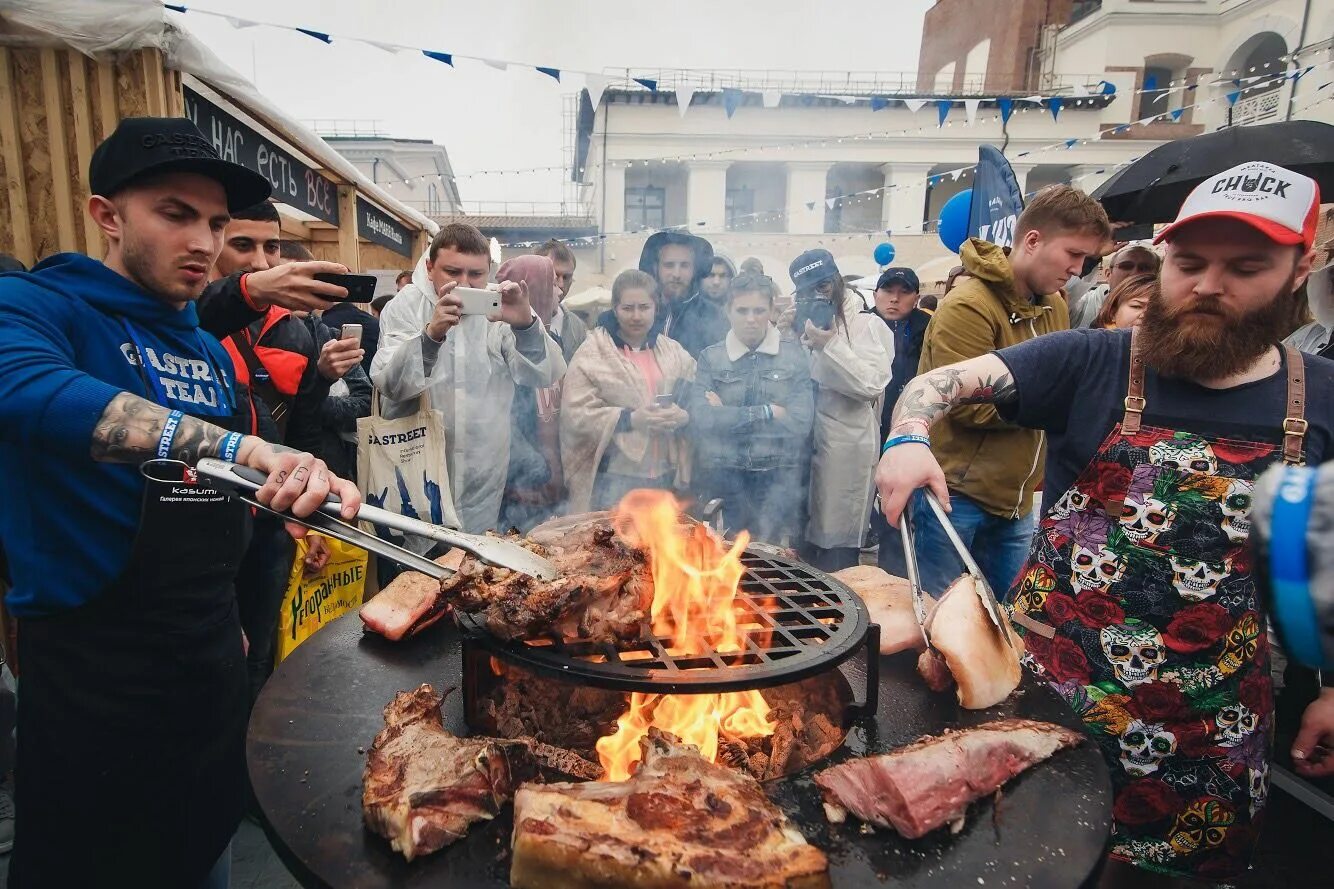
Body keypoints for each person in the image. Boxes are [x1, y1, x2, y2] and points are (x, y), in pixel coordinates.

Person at [875, 161, 1334, 886]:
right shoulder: (1093, 361)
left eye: (1245, 266)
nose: (1209, 285)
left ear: (1304, 265)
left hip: (1208, 730)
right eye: (1189, 262)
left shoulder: (1324, 399)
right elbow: (937, 383)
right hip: (1050, 703)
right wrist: (908, 437)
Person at [0, 116, 361, 889]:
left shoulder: (201, 344)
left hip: (205, 658)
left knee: (205, 851)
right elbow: (36, 394)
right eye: (175, 213)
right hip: (95, 675)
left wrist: (287, 511)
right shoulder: (38, 307)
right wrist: (243, 448)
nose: (202, 240)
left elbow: (207, 493)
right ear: (108, 215)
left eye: (216, 222)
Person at [902, 185, 1109, 596]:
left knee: (1006, 625)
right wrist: (1054, 404)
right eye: (1073, 253)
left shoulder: (1057, 304)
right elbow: (963, 406)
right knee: (941, 625)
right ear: (1033, 240)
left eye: (1087, 258)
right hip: (955, 497)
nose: (1079, 268)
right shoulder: (969, 305)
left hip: (1017, 503)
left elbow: (1060, 384)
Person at [209, 200, 364, 696]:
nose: (260, 261)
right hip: (207, 519)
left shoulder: (295, 329)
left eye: (270, 246)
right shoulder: (188, 323)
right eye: (242, 245)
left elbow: (303, 430)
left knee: (264, 653)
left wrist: (306, 519)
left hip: (271, 521)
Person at [373, 222, 565, 533]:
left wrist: (525, 326)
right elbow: (392, 385)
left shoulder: (500, 305)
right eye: (453, 272)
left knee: (473, 573)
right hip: (414, 467)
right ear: (430, 267)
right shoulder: (406, 306)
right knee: (416, 568)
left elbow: (543, 374)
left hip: (482, 475)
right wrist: (432, 334)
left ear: (489, 270)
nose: (465, 283)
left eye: (475, 274)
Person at [786, 250, 893, 572]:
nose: (818, 296)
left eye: (823, 286)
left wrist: (828, 345)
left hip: (845, 453)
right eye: (808, 290)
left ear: (836, 281)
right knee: (798, 555)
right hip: (800, 453)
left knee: (836, 558)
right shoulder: (797, 323)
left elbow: (872, 383)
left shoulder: (867, 325)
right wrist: (784, 335)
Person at [689, 273, 813, 543]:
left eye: (759, 310)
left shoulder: (793, 356)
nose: (751, 318)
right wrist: (770, 411)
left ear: (771, 310)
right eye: (742, 310)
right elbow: (702, 420)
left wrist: (724, 414)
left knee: (772, 564)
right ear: (728, 311)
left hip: (777, 478)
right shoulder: (711, 357)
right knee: (724, 560)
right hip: (723, 475)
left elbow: (801, 423)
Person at [562, 270, 695, 512]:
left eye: (644, 307)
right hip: (615, 476)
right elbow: (575, 415)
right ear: (614, 308)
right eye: (627, 308)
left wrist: (683, 415)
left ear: (656, 307)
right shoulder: (593, 352)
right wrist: (631, 419)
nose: (636, 316)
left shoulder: (673, 351)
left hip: (666, 472)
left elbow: (698, 394)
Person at [869, 267, 932, 575]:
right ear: (875, 294)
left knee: (898, 503)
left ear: (916, 297)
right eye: (887, 290)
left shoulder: (927, 327)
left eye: (903, 292)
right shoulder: (859, 324)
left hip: (904, 428)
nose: (894, 299)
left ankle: (894, 573)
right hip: (863, 428)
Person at [499, 254, 568, 531]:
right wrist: (538, 471)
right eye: (552, 283)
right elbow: (508, 421)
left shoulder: (554, 340)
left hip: (548, 479)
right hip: (518, 485)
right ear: (532, 288)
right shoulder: (505, 340)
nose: (560, 290)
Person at [638, 230, 728, 357]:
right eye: (669, 265)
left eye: (684, 266)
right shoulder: (637, 313)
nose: (676, 274)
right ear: (655, 268)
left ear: (694, 269)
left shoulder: (715, 317)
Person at [1071, 244, 1162, 329]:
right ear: (1108, 274)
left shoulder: (1166, 308)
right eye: (1126, 266)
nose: (1135, 273)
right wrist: (1092, 258)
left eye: (1145, 268)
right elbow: (1065, 295)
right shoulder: (1086, 302)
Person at [535, 238, 588, 363]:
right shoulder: (517, 320)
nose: (560, 284)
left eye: (566, 277)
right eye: (555, 275)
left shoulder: (578, 327)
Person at [1092, 273, 1157, 331]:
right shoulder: (1092, 342)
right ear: (1113, 313)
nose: (1146, 315)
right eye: (1137, 306)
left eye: (1155, 309)